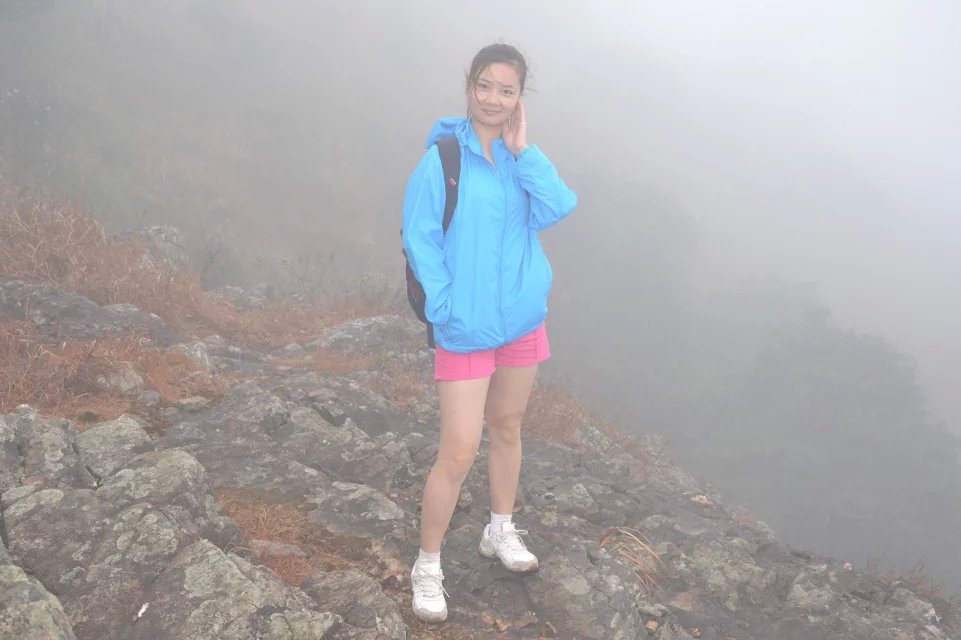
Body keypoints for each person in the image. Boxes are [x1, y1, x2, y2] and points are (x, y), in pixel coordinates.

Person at [401, 42, 577, 623]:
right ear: (469, 85)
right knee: (458, 448)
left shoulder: (519, 159)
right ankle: (428, 564)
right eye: (485, 85)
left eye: (507, 89)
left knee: (507, 426)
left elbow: (558, 207)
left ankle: (499, 527)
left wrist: (525, 152)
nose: (493, 98)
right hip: (465, 326)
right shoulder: (444, 159)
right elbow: (420, 236)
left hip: (520, 319)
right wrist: (445, 307)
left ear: (520, 97)